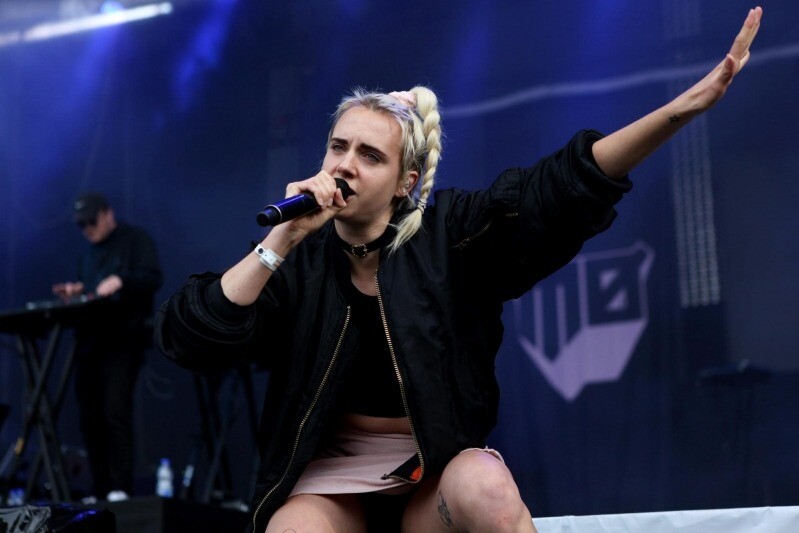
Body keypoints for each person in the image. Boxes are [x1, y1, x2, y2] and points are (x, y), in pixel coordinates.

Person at [155, 7, 762, 532]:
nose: (345, 164)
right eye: (338, 146)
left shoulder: (449, 233)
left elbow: (560, 190)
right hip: (331, 483)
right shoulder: (298, 257)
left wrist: (684, 107)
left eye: (370, 155)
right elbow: (191, 335)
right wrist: (281, 240)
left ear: (405, 182)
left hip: (429, 474)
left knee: (486, 487)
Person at [53, 192, 163, 502]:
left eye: (91, 221)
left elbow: (152, 278)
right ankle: (100, 488)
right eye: (82, 224)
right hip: (90, 343)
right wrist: (77, 293)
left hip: (122, 341)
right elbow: (92, 294)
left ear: (107, 214)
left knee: (116, 411)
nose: (87, 229)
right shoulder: (87, 256)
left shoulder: (136, 240)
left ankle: (120, 488)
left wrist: (121, 280)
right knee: (89, 417)